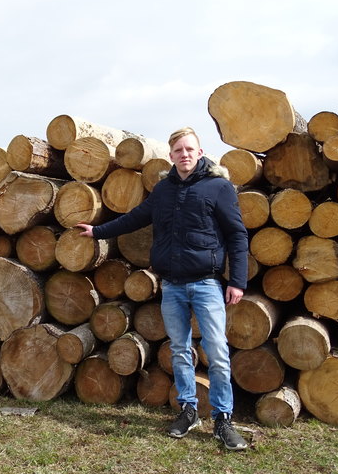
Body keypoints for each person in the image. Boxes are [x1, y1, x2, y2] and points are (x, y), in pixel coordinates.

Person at [77, 127, 249, 450]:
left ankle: (223, 420)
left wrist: (237, 281)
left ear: (200, 153)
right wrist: (97, 231)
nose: (184, 154)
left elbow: (237, 235)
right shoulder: (163, 191)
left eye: (189, 149)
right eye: (178, 150)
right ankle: (188, 410)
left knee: (217, 352)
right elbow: (134, 219)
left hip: (206, 283)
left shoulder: (218, 187)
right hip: (172, 286)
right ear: (170, 156)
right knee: (181, 350)